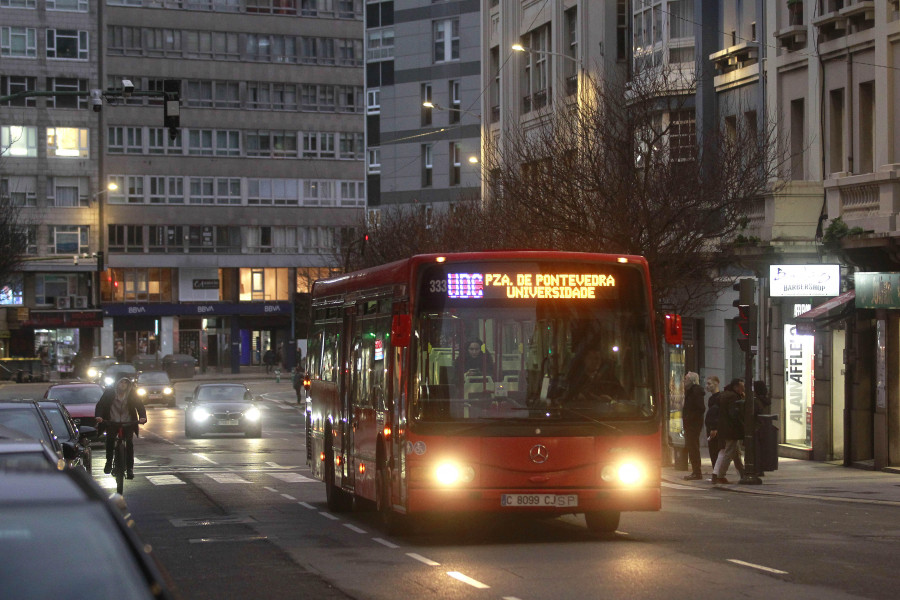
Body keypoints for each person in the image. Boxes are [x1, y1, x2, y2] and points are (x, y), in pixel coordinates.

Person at [95, 377, 148, 480]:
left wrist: (142, 417)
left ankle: (129, 469)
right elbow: (100, 405)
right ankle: (109, 462)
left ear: (128, 385)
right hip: (112, 422)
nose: (123, 385)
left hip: (128, 422)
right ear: (117, 383)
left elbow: (140, 406)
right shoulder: (109, 393)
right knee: (110, 440)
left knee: (129, 443)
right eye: (121, 382)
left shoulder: (132, 394)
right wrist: (99, 416)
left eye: (125, 383)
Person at [711, 378, 745, 484]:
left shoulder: (726, 395)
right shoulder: (733, 397)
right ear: (735, 387)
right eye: (741, 387)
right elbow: (734, 414)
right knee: (729, 452)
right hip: (732, 429)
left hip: (726, 428)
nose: (743, 389)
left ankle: (743, 473)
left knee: (736, 453)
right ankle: (720, 475)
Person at [681, 371, 706, 480]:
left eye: (686, 379)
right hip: (691, 424)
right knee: (692, 447)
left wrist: (689, 418)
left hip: (693, 425)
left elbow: (700, 408)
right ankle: (696, 471)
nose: (684, 381)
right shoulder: (692, 391)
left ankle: (697, 471)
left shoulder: (695, 391)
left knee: (693, 447)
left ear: (691, 380)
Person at [704, 375, 722, 470]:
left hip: (714, 429)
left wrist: (714, 428)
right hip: (712, 428)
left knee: (715, 451)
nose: (707, 386)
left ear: (716, 383)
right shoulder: (712, 398)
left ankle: (717, 472)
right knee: (713, 451)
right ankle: (716, 472)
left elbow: (716, 414)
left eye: (709, 383)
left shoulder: (718, 398)